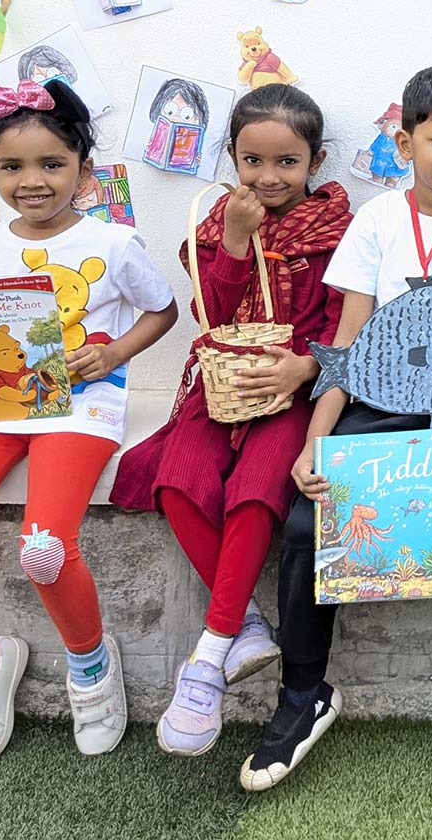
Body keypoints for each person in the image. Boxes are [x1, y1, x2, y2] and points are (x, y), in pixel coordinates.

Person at [241, 65, 432, 794]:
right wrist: (315, 442)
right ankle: (304, 693)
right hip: (377, 407)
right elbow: (348, 341)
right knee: (305, 526)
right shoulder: (379, 220)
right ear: (406, 141)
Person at [0, 78, 177, 762]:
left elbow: (163, 310)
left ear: (83, 166)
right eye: (12, 166)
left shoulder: (114, 242)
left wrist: (113, 353)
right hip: (1, 406)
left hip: (83, 407)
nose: (32, 181)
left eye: (52, 163)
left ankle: (91, 667)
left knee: (43, 549)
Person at [111, 86, 352, 757]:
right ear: (232, 157)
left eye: (287, 162)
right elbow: (212, 315)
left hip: (295, 388)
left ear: (316, 161)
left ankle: (208, 660)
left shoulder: (339, 234)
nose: (268, 177)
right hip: (222, 382)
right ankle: (242, 622)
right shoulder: (216, 223)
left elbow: (348, 323)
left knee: (254, 490)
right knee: (176, 476)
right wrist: (239, 242)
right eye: (252, 161)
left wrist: (304, 367)